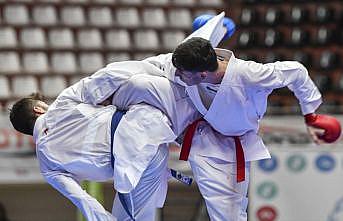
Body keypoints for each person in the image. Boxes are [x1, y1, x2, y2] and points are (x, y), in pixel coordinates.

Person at [144, 14, 341, 221]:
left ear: (202, 74)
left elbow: (296, 72)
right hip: (196, 126)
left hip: (229, 143)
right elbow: (193, 45)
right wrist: (218, 26)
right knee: (147, 81)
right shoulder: (190, 57)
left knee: (228, 214)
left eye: (183, 73)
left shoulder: (249, 74)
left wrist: (310, 115)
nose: (178, 74)